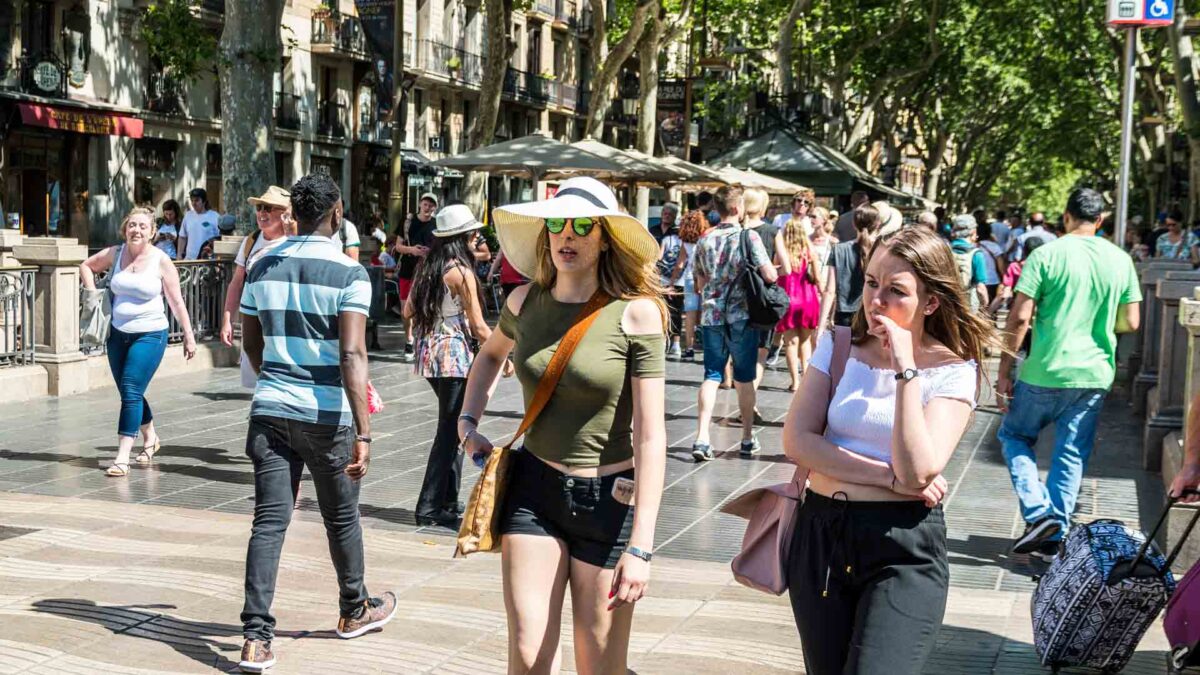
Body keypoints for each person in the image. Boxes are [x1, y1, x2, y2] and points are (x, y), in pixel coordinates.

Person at [458, 176, 667, 674]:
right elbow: (489, 356)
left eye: (581, 225)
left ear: (605, 237)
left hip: (610, 501)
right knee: (528, 657)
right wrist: (467, 423)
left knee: (598, 665)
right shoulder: (523, 302)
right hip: (534, 491)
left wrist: (641, 545)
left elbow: (653, 436)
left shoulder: (637, 314)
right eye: (556, 223)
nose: (566, 235)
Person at [782, 226, 993, 675]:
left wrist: (905, 371)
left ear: (930, 302)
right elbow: (798, 441)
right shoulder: (838, 346)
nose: (876, 300)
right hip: (821, 535)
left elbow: (918, 470)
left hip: (902, 547)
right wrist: (885, 477)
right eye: (871, 283)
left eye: (895, 290)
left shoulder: (954, 371)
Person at [236, 173, 396, 673]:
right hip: (326, 416)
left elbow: (251, 342)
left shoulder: (263, 264)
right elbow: (352, 353)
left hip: (270, 411)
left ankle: (256, 639)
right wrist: (363, 429)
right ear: (337, 211)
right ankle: (354, 609)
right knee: (341, 517)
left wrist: (276, 382)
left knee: (269, 522)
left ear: (293, 214)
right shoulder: (350, 274)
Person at [995, 188, 1142, 561]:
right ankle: (1054, 535)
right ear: (1102, 220)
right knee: (1071, 454)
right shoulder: (1119, 259)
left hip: (1044, 369)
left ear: (1065, 216)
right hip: (1093, 373)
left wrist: (1004, 370)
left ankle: (1039, 512)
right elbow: (1131, 320)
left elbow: (1020, 316)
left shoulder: (1045, 255)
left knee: (1014, 434)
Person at [79, 207, 197, 477]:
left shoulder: (161, 260)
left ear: (152, 232)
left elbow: (176, 300)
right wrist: (92, 293)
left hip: (151, 334)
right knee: (129, 392)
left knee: (131, 388)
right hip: (117, 335)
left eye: (143, 226)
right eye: (132, 225)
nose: (137, 230)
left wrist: (189, 335)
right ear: (125, 229)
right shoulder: (115, 253)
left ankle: (122, 456)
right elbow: (86, 266)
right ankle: (151, 437)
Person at [404, 204, 496, 528]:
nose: (477, 237)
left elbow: (407, 311)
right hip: (455, 355)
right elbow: (480, 325)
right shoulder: (463, 272)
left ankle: (447, 499)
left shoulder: (429, 266)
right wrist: (503, 356)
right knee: (450, 431)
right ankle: (429, 506)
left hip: (430, 353)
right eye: (472, 233)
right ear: (461, 237)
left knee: (456, 426)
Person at [691, 186, 778, 462]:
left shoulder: (704, 239)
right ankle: (747, 438)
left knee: (712, 376)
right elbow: (770, 275)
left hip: (711, 316)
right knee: (744, 377)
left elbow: (699, 282)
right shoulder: (748, 236)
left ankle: (702, 437)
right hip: (741, 317)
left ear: (716, 208)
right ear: (738, 208)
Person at [220, 186, 295, 389]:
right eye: (260, 207)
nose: (262, 213)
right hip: (254, 322)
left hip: (286, 324)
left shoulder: (295, 241)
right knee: (258, 383)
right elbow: (237, 282)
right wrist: (228, 319)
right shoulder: (251, 241)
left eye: (269, 208)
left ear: (286, 213)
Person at [774, 216, 822, 391]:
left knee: (790, 343)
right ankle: (806, 379)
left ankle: (795, 382)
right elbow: (818, 279)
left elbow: (774, 273)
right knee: (806, 342)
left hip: (788, 301)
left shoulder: (782, 253)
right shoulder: (809, 253)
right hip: (808, 301)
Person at [744, 188, 785, 372]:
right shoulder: (772, 231)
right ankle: (751, 389)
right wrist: (770, 270)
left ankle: (730, 381)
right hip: (761, 296)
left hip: (735, 297)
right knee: (762, 350)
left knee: (735, 347)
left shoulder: (734, 231)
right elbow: (788, 267)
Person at [821, 205, 882, 330]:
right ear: (877, 224)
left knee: (841, 349)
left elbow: (829, 291)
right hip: (873, 316)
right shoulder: (882, 252)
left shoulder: (838, 250)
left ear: (854, 224)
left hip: (844, 316)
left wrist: (821, 326)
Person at [394, 192, 439, 361]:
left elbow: (441, 248)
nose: (428, 208)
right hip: (407, 270)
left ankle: (423, 340)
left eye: (432, 205)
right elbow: (398, 246)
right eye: (426, 204)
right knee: (406, 309)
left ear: (435, 207)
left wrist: (430, 252)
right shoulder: (408, 222)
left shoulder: (437, 225)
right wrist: (412, 250)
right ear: (420, 204)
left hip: (427, 271)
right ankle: (409, 338)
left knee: (425, 307)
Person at [674, 209, 707, 361]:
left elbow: (680, 264)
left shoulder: (685, 241)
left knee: (690, 313)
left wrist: (672, 281)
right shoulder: (707, 237)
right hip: (705, 277)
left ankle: (689, 348)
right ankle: (707, 345)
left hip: (689, 277)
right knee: (706, 312)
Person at [986, 237, 1045, 317]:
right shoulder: (1047, 268)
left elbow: (1004, 294)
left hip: (1020, 308)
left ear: (1024, 250)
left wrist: (988, 314)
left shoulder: (1014, 267)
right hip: (1042, 310)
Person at [657, 207, 685, 359]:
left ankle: (664, 342)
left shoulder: (666, 239)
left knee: (664, 311)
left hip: (664, 280)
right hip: (678, 281)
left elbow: (658, 258)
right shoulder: (684, 241)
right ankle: (675, 344)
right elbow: (682, 262)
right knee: (676, 313)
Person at [949, 215, 990, 311]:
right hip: (968, 304)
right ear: (973, 231)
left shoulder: (945, 249)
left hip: (948, 301)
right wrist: (985, 305)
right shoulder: (976, 254)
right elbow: (981, 288)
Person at [177, 188, 220, 260]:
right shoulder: (188, 216)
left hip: (208, 260)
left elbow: (219, 238)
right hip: (189, 260)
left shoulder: (215, 216)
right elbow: (182, 237)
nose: (194, 203)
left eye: (197, 200)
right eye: (192, 200)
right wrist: (179, 255)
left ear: (204, 201)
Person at [977, 221, 1005, 302]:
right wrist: (1004, 279)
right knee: (990, 308)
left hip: (977, 282)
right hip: (992, 281)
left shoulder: (973, 246)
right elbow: (1001, 267)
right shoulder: (995, 246)